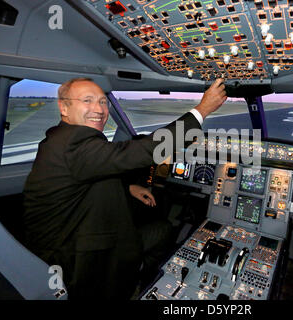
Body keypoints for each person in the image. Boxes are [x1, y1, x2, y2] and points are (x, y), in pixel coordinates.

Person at [22, 77, 227, 299]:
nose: (99, 109)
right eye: (87, 100)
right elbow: (145, 151)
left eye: (103, 102)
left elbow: (86, 171)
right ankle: (134, 280)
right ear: (64, 107)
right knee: (163, 229)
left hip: (63, 237)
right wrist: (202, 109)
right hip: (78, 257)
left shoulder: (58, 138)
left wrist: (128, 187)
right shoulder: (75, 141)